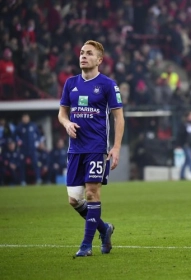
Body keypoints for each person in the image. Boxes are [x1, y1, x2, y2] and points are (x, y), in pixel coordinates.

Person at [58, 40, 125, 257]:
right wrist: (67, 124)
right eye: (81, 53)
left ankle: (86, 246)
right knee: (74, 200)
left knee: (92, 193)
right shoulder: (70, 83)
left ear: (99, 60)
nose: (83, 56)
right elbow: (62, 113)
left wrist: (115, 147)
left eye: (89, 53)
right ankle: (104, 229)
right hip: (75, 149)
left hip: (96, 147)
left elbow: (118, 117)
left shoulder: (107, 84)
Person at [177, 110, 191, 180]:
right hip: (186, 145)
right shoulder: (184, 125)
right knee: (190, 160)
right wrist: (180, 144)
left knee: (187, 161)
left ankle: (181, 175)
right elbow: (180, 135)